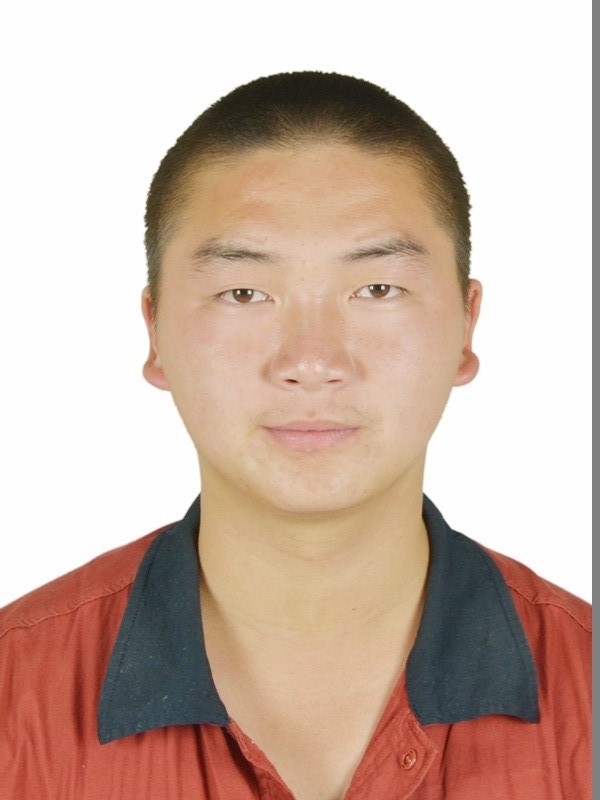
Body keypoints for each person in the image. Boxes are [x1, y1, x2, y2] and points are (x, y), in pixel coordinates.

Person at [0, 72, 590, 800]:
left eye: (377, 289)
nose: (312, 360)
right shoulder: (14, 699)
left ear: (466, 326)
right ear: (155, 333)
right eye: (245, 293)